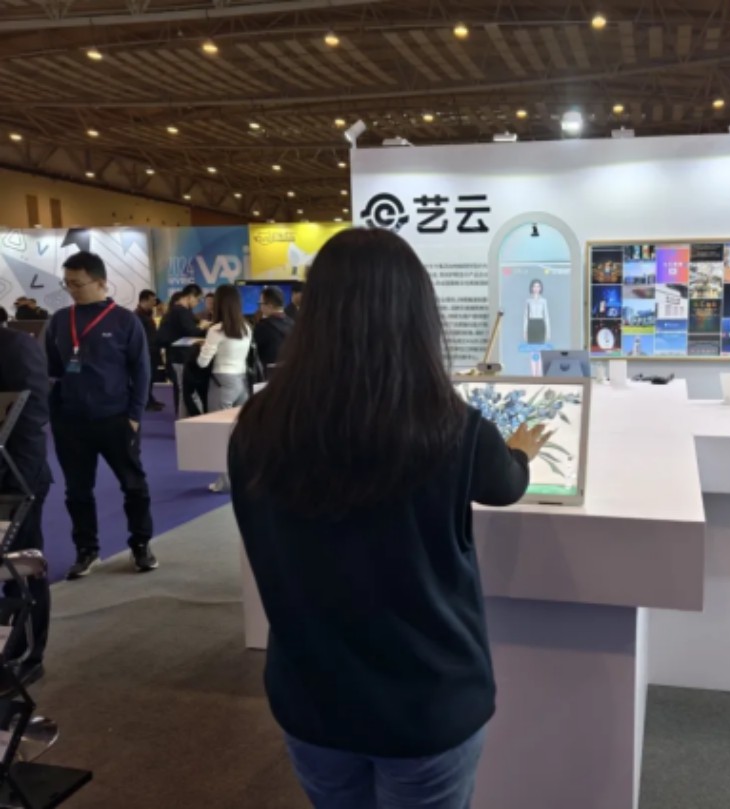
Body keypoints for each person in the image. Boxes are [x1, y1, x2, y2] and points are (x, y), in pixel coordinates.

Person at [228, 228, 550, 809]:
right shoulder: (452, 426)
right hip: (427, 702)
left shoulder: (257, 426)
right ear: (417, 313)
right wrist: (521, 451)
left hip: (313, 698)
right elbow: (506, 485)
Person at [45, 251, 156, 578]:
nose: (72, 290)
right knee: (77, 491)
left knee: (133, 486)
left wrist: (134, 416)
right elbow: (52, 370)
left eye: (78, 284)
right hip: (71, 422)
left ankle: (141, 545)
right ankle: (87, 550)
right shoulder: (59, 320)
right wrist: (55, 412)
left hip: (115, 418)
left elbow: (141, 371)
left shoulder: (125, 320)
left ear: (101, 282)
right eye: (67, 284)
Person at [0, 324, 53, 686]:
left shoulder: (16, 346)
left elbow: (31, 414)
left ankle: (26, 655)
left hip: (15, 478)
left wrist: (14, 479)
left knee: (19, 570)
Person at [197, 284, 252, 493]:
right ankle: (244, 476)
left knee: (220, 435)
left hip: (222, 382)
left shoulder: (216, 330)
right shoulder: (247, 328)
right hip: (241, 381)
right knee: (240, 434)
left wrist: (201, 349)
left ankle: (225, 481)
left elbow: (203, 362)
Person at [156, 285, 205, 417]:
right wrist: (202, 327)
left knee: (183, 391)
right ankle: (184, 419)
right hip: (183, 356)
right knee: (186, 391)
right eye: (197, 299)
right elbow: (191, 331)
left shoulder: (175, 311)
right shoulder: (181, 311)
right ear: (190, 296)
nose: (197, 303)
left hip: (178, 356)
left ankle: (182, 418)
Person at [135, 290, 165, 412]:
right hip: (145, 351)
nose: (154, 303)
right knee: (145, 377)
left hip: (152, 350)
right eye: (152, 300)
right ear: (144, 300)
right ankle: (145, 402)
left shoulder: (147, 314)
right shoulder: (137, 316)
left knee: (151, 377)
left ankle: (149, 399)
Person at [252, 286, 294, 367]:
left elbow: (251, 351)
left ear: (270, 306)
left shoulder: (263, 327)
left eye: (261, 304)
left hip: (268, 372)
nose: (260, 307)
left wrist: (256, 323)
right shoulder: (293, 324)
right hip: (289, 370)